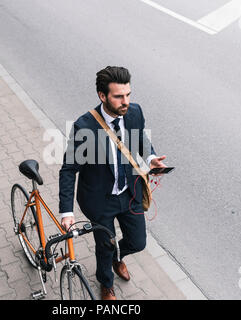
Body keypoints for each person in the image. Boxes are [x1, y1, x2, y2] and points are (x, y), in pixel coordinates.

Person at [59, 66, 166, 300]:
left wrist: (150, 158)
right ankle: (106, 283)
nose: (125, 101)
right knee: (104, 245)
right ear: (102, 96)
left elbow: (140, 138)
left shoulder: (134, 112)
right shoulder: (84, 127)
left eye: (128, 94)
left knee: (138, 242)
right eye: (118, 96)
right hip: (100, 200)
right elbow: (68, 170)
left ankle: (119, 256)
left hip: (129, 193)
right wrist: (66, 212)